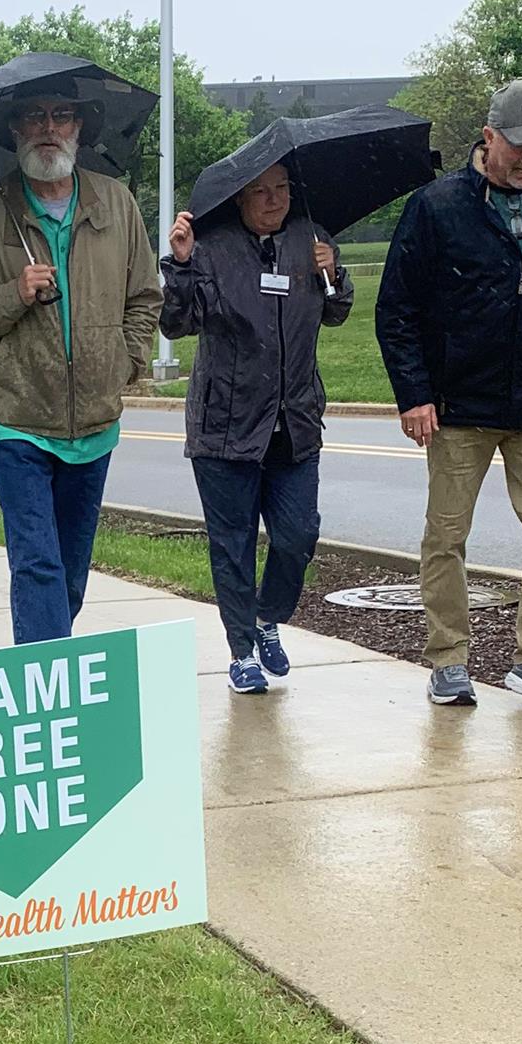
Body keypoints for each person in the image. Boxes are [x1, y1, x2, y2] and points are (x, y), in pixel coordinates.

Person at [376, 79, 522, 712]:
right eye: (520, 144)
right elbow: (396, 309)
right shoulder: (437, 206)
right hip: (458, 406)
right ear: (489, 138)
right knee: (447, 536)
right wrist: (415, 394)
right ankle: (448, 660)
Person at [0, 85, 162, 645]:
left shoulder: (115, 203)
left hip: (95, 421)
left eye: (62, 116)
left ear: (80, 129)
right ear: (15, 131)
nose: (49, 127)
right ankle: (48, 685)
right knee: (37, 563)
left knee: (72, 572)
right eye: (34, 117)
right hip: (17, 420)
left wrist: (125, 361)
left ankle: (46, 664)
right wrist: (13, 293)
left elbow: (145, 296)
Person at [161, 163, 354, 693]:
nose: (273, 200)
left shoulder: (310, 239)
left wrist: (332, 273)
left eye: (282, 189)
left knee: (298, 536)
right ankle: (241, 650)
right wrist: (179, 266)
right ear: (240, 200)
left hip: (293, 424)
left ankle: (267, 617)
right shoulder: (213, 249)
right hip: (226, 427)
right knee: (233, 544)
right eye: (260, 192)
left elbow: (336, 311)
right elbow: (177, 323)